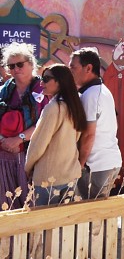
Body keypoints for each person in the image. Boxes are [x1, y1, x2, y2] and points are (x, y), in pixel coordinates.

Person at [25, 64, 87, 206]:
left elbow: (38, 145)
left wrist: (28, 167)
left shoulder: (53, 108)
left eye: (46, 79)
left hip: (49, 178)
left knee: (44, 225)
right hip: (70, 175)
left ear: (60, 81)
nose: (41, 83)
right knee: (65, 225)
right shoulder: (74, 105)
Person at [70, 47, 122, 200]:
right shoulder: (97, 90)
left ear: (88, 68)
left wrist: (79, 165)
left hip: (97, 165)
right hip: (102, 163)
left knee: (92, 217)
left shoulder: (92, 94)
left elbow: (89, 134)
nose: (70, 70)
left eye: (73, 67)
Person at [0, 43, 46, 210]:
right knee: (7, 204)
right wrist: (5, 141)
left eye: (20, 64)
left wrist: (18, 139)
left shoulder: (44, 89)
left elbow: (44, 124)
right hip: (5, 158)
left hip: (33, 156)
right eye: (11, 66)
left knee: (31, 204)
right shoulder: (4, 91)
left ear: (31, 64)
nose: (15, 69)